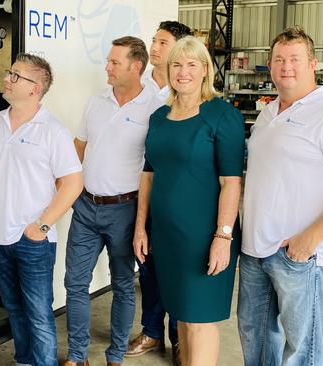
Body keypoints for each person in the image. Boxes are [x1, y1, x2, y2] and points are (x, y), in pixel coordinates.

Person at [238, 27, 323, 366]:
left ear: (313, 65)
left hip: (300, 256)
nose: (286, 66)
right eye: (279, 59)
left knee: (302, 353)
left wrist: (310, 239)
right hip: (255, 251)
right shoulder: (267, 113)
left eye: (295, 59)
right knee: (257, 344)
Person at [133, 36, 244, 366]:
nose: (183, 72)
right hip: (166, 235)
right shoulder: (159, 117)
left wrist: (223, 236)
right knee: (181, 315)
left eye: (192, 64)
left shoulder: (222, 116)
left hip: (203, 236)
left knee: (199, 320)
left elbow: (231, 183)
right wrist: (141, 227)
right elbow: (148, 175)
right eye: (176, 65)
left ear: (206, 69)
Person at [0, 53, 83, 366]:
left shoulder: (52, 130)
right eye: (9, 73)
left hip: (33, 242)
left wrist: (41, 227)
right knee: (15, 310)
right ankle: (23, 361)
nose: (7, 78)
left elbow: (73, 184)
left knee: (39, 315)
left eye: (16, 75)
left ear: (36, 88)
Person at [64, 36, 154, 366]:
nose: (108, 67)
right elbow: (79, 146)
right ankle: (77, 356)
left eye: (115, 62)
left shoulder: (155, 107)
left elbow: (153, 169)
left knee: (122, 285)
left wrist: (143, 221)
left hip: (125, 211)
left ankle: (115, 356)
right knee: (74, 283)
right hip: (85, 207)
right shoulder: (97, 101)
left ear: (136, 67)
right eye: (108, 60)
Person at [126, 21, 192, 366]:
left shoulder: (188, 92)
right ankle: (151, 331)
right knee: (148, 267)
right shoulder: (139, 90)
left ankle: (180, 336)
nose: (153, 47)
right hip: (142, 192)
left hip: (175, 196)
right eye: (153, 40)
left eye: (162, 42)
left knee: (179, 269)